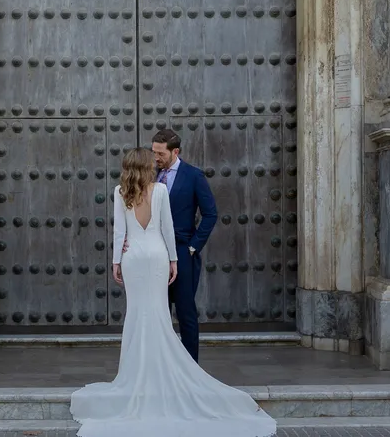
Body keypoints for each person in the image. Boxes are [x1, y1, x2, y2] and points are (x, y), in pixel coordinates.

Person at [70, 148, 276, 437]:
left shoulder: (120, 191)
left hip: (132, 259)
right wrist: (174, 261)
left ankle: (133, 377)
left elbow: (120, 232)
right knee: (158, 315)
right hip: (155, 256)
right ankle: (159, 376)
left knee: (137, 314)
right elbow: (167, 229)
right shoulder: (161, 191)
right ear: (146, 166)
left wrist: (116, 261)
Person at [151, 127, 217, 362]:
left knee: (185, 311)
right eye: (154, 153)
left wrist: (192, 247)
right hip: (154, 250)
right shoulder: (152, 175)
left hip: (182, 250)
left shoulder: (194, 176)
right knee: (159, 311)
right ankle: (164, 365)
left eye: (160, 154)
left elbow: (211, 214)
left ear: (175, 151)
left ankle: (191, 368)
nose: (156, 158)